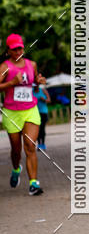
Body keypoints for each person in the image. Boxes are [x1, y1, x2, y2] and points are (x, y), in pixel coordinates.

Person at [0, 34, 46, 195]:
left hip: (30, 110)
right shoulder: (4, 67)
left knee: (30, 146)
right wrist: (12, 83)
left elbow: (33, 87)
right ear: (8, 51)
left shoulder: (31, 64)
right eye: (14, 49)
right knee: (16, 149)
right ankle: (15, 168)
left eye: (20, 48)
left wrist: (38, 83)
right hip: (11, 112)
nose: (18, 51)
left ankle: (33, 183)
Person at [33, 81, 51, 151]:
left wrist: (44, 100)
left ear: (38, 85)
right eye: (34, 85)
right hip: (35, 113)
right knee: (37, 129)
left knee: (42, 128)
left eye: (36, 85)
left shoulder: (43, 90)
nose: (35, 86)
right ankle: (39, 144)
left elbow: (49, 100)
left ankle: (43, 144)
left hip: (43, 112)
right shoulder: (31, 91)